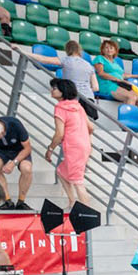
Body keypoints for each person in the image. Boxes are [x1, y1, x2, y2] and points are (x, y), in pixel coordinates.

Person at [43, 78, 92, 210]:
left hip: (73, 147)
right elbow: (91, 127)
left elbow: (59, 133)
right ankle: (72, 203)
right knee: (61, 171)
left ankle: (87, 212)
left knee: (77, 182)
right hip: (84, 145)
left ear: (62, 91)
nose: (52, 90)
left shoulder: (60, 108)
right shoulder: (78, 106)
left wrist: (50, 148)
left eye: (54, 88)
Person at [23, 40, 100, 120]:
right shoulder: (88, 65)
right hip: (88, 99)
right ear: (79, 50)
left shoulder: (66, 60)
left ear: (67, 50)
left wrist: (23, 51)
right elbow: (96, 87)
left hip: (73, 98)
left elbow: (43, 59)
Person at [92, 38, 138, 126]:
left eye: (111, 48)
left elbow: (122, 75)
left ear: (115, 50)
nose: (109, 50)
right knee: (131, 97)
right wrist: (116, 79)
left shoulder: (115, 63)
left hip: (119, 84)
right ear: (102, 50)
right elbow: (101, 73)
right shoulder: (99, 58)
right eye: (106, 48)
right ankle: (128, 124)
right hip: (107, 84)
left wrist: (137, 76)